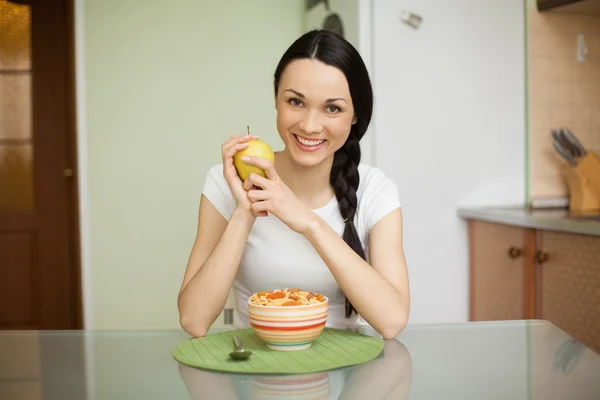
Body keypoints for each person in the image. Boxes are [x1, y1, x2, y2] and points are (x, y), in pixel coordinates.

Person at [177, 29, 410, 340]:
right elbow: (194, 319)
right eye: (296, 101)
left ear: (355, 115)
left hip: (350, 377)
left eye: (333, 108)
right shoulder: (226, 181)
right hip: (254, 377)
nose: (310, 125)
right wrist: (245, 210)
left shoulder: (375, 190)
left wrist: (309, 224)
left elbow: (392, 321)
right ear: (276, 96)